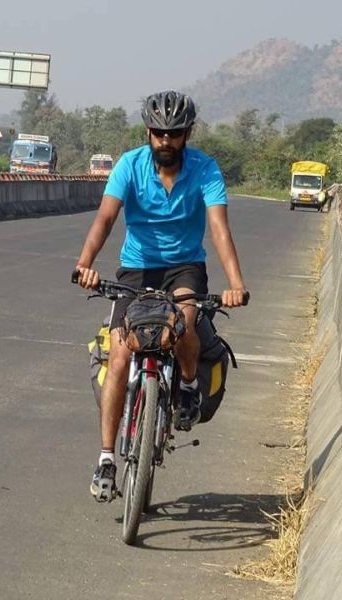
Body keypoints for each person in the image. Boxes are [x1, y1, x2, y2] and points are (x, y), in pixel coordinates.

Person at [73, 90, 248, 503]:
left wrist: (235, 283)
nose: (165, 141)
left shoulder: (205, 170)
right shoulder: (129, 166)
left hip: (185, 266)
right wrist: (84, 264)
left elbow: (219, 228)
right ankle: (105, 459)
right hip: (137, 267)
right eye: (158, 133)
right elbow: (106, 217)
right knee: (119, 354)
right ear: (147, 131)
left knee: (184, 322)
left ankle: (186, 386)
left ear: (187, 133)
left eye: (174, 133)